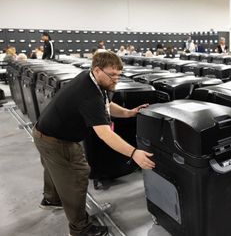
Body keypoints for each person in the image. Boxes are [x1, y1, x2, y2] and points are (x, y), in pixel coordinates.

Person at [32, 51, 155, 236]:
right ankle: (80, 229)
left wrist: (129, 113)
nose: (116, 79)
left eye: (119, 74)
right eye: (112, 75)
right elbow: (105, 134)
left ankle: (51, 200)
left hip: (45, 134)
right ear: (97, 70)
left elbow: (105, 106)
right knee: (77, 175)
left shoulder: (91, 79)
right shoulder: (88, 94)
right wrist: (134, 153)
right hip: (57, 141)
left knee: (54, 168)